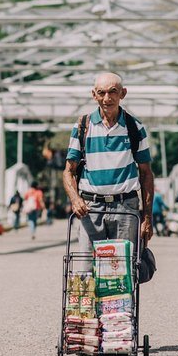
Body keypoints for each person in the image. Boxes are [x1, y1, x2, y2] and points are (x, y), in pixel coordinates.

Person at [63, 72, 155, 264]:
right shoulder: (82, 127)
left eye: (113, 92)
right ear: (94, 95)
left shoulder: (135, 128)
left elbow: (146, 174)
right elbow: (68, 171)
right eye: (101, 92)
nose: (107, 98)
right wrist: (75, 199)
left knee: (122, 271)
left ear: (123, 93)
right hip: (90, 207)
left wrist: (147, 217)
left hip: (125, 206)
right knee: (85, 269)